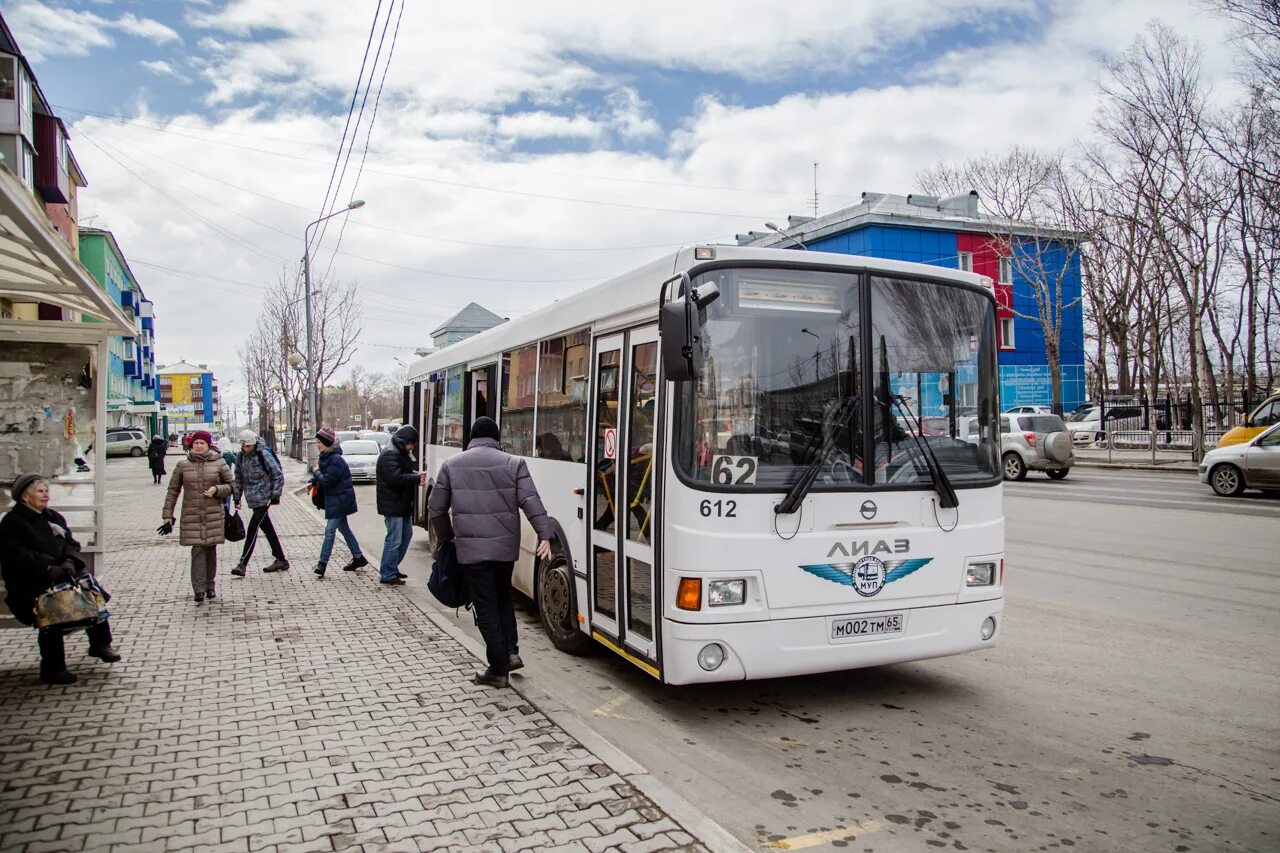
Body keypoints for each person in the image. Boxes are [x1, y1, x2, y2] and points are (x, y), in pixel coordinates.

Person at [428, 416, 554, 688]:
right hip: (504, 550)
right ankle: (510, 652)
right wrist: (545, 534)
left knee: (485, 606)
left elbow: (435, 509)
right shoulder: (514, 463)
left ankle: (497, 670)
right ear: (496, 438)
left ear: (472, 437)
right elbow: (531, 501)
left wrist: (449, 537)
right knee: (502, 598)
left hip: (472, 550)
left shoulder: (451, 465)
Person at [0, 473, 121, 684]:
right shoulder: (13, 522)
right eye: (40, 491)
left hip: (62, 575)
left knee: (90, 591)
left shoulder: (53, 517)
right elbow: (16, 555)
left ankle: (101, 644)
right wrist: (48, 566)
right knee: (51, 607)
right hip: (31, 584)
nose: (45, 495)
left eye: (46, 491)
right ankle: (53, 669)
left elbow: (71, 543)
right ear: (24, 497)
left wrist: (69, 561)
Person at [162, 429, 234, 604]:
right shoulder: (182, 466)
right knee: (198, 550)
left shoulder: (219, 463)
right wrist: (167, 515)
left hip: (213, 514)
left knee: (210, 550)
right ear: (191, 445)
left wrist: (217, 490)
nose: (199, 446)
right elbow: (173, 491)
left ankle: (210, 586)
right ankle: (199, 589)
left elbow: (232, 485)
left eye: (202, 443)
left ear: (208, 444)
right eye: (196, 443)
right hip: (192, 514)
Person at [310, 427, 368, 578]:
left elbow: (327, 480)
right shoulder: (326, 456)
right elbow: (322, 471)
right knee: (344, 530)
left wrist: (315, 472)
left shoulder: (336, 459)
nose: (317, 445)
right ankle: (358, 557)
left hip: (340, 500)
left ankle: (322, 564)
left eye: (319, 442)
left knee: (330, 531)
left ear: (327, 443)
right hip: (336, 499)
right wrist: (312, 480)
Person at [231, 429, 288, 576]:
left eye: (249, 446)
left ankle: (242, 563)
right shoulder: (240, 457)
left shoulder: (263, 454)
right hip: (252, 499)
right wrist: (237, 498)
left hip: (264, 498)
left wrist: (275, 495)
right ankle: (281, 559)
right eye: (244, 446)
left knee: (253, 528)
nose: (246, 449)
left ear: (254, 444)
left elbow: (278, 475)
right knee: (267, 529)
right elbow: (238, 479)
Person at [375, 424, 426, 585]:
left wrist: (416, 475)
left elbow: (401, 472)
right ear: (403, 442)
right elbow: (395, 477)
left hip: (400, 504)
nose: (412, 447)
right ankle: (387, 573)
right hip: (393, 504)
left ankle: (391, 567)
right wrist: (416, 478)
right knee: (394, 539)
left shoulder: (398, 452)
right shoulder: (390, 453)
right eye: (410, 444)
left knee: (405, 535)